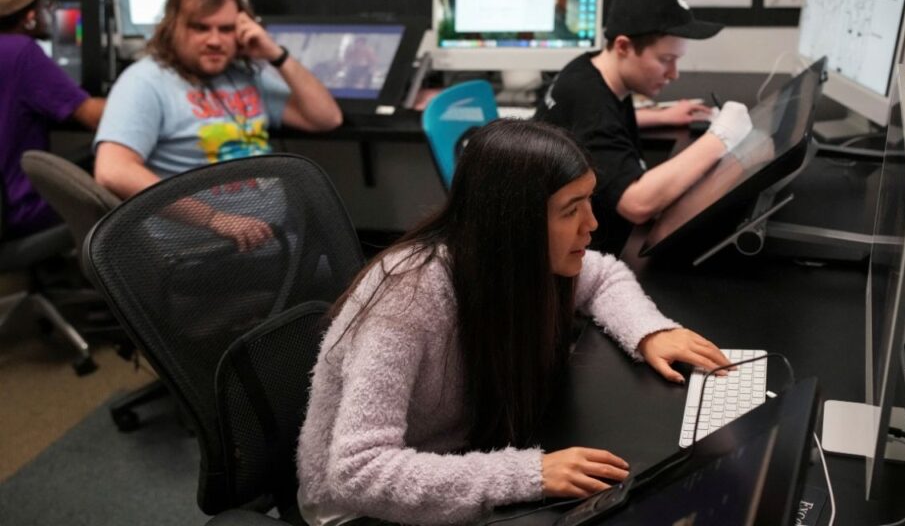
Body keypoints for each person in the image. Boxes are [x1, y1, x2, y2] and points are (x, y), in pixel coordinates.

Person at [296, 119, 732, 525]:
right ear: (512, 223)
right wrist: (529, 473)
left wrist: (650, 331)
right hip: (360, 512)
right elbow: (357, 472)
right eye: (571, 210)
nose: (592, 225)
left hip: (460, 460)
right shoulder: (407, 300)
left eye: (589, 202)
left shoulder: (512, 260)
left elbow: (604, 276)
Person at [92, 0, 341, 250]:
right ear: (173, 28)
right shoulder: (145, 81)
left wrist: (275, 55)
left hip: (273, 239)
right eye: (201, 28)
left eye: (225, 29)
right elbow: (112, 170)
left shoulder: (243, 76)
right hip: (202, 252)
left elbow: (326, 118)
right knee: (351, 278)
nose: (215, 40)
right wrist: (214, 218)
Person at [534, 0, 753, 256]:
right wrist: (722, 136)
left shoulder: (588, 70)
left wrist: (658, 116)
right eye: (665, 59)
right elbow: (637, 203)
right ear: (624, 46)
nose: (674, 74)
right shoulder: (591, 106)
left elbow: (592, 127)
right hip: (573, 253)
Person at [0, 0, 105, 238]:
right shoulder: (21, 52)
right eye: (47, 5)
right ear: (30, 16)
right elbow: (93, 116)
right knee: (114, 184)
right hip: (17, 212)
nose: (52, 11)